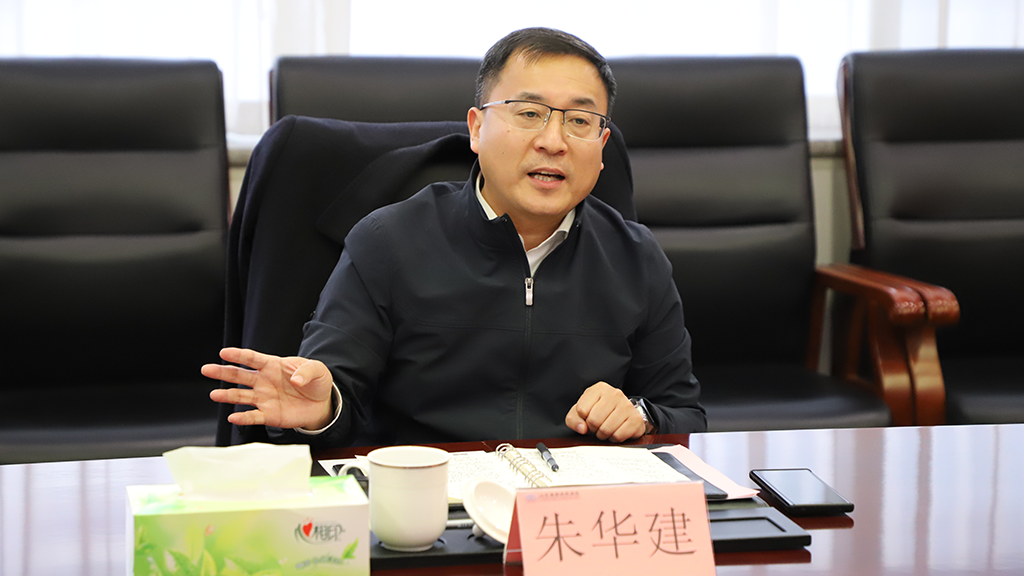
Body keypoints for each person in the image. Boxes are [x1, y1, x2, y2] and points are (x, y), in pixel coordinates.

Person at [203, 27, 706, 447]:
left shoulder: (636, 257)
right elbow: (337, 398)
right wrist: (322, 408)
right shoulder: (387, 242)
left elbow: (684, 413)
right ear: (476, 129)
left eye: (579, 121)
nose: (553, 141)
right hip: (427, 506)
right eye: (528, 113)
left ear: (601, 144)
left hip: (572, 512)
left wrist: (641, 414)